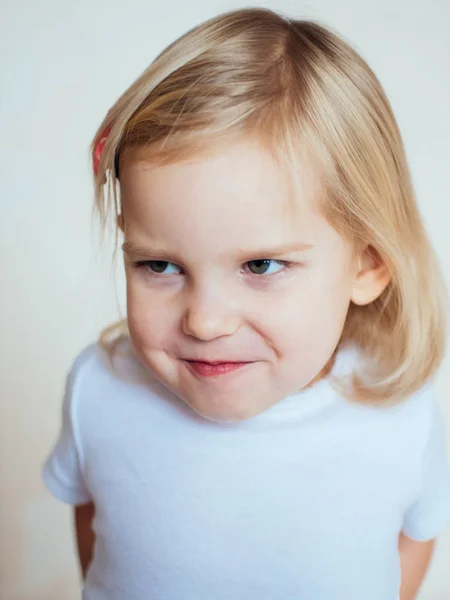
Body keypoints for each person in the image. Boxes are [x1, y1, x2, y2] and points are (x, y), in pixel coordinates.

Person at [42, 7, 450, 600]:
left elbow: (416, 534)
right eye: (159, 265)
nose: (206, 321)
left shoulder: (399, 409)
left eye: (260, 266)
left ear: (367, 264)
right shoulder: (100, 389)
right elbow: (92, 518)